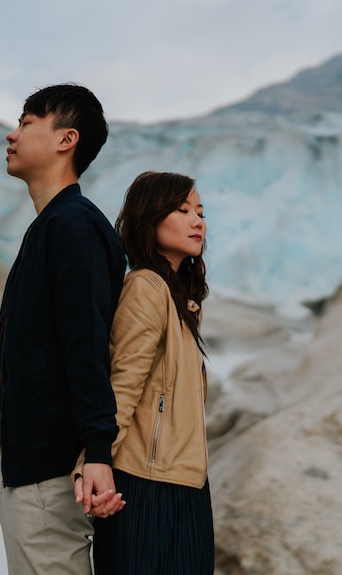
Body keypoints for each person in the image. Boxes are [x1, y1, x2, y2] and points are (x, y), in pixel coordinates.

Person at [0, 83, 127, 575]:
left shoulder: (74, 227)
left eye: (25, 123)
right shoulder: (54, 225)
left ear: (66, 139)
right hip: (31, 462)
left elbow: (85, 345)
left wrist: (98, 453)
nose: (12, 133)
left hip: (46, 469)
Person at [78, 171, 214, 574]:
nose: (197, 221)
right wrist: (93, 463)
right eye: (182, 209)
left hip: (182, 482)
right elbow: (122, 384)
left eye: (201, 212)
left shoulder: (178, 296)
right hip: (147, 486)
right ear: (149, 218)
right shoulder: (146, 288)